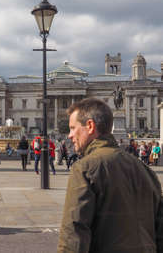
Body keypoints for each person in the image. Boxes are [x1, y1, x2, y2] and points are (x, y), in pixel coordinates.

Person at [58, 98, 163, 252]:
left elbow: (74, 234)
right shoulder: (145, 170)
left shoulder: (85, 168)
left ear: (90, 126)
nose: (70, 135)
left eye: (73, 128)